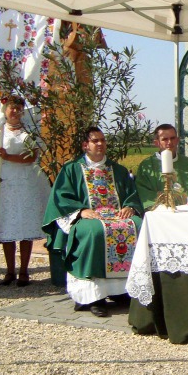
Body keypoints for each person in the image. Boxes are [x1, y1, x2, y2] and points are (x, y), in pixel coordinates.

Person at [43, 127, 144, 317]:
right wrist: (81, 211)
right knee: (94, 232)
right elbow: (61, 197)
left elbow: (131, 194)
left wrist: (129, 206)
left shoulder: (118, 170)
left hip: (116, 215)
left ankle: (122, 291)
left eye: (103, 140)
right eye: (95, 141)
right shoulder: (72, 169)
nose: (100, 144)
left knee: (137, 226)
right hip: (89, 216)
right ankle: (93, 297)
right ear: (85, 145)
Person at [0, 95, 52, 286]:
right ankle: (9, 270)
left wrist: (9, 156)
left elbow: (32, 156)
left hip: (25, 180)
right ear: (4, 110)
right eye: (11, 108)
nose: (15, 111)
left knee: (25, 223)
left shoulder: (28, 131)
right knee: (6, 223)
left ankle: (24, 270)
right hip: (3, 181)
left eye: (18, 108)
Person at [135, 124, 188, 210]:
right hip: (161, 213)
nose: (169, 142)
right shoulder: (147, 166)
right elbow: (144, 193)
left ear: (177, 140)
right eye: (165, 139)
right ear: (156, 143)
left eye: (172, 138)